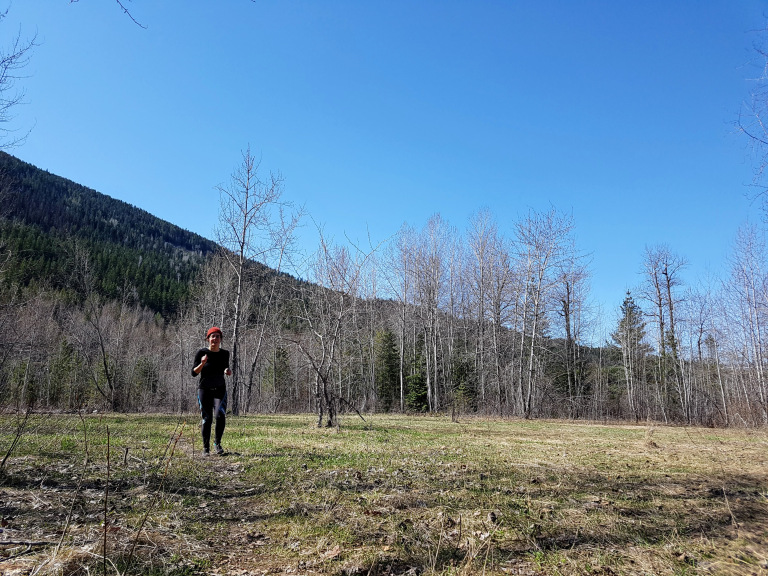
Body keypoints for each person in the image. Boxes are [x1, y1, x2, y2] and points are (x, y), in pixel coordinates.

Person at [192, 326, 232, 455]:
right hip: (205, 390)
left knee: (220, 416)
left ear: (221, 339)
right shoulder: (201, 353)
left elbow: (225, 367)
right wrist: (202, 363)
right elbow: (194, 373)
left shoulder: (225, 353)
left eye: (217, 336)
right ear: (208, 339)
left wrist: (227, 371)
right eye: (212, 336)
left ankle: (217, 444)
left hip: (220, 389)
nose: (215, 339)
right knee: (207, 418)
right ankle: (206, 448)